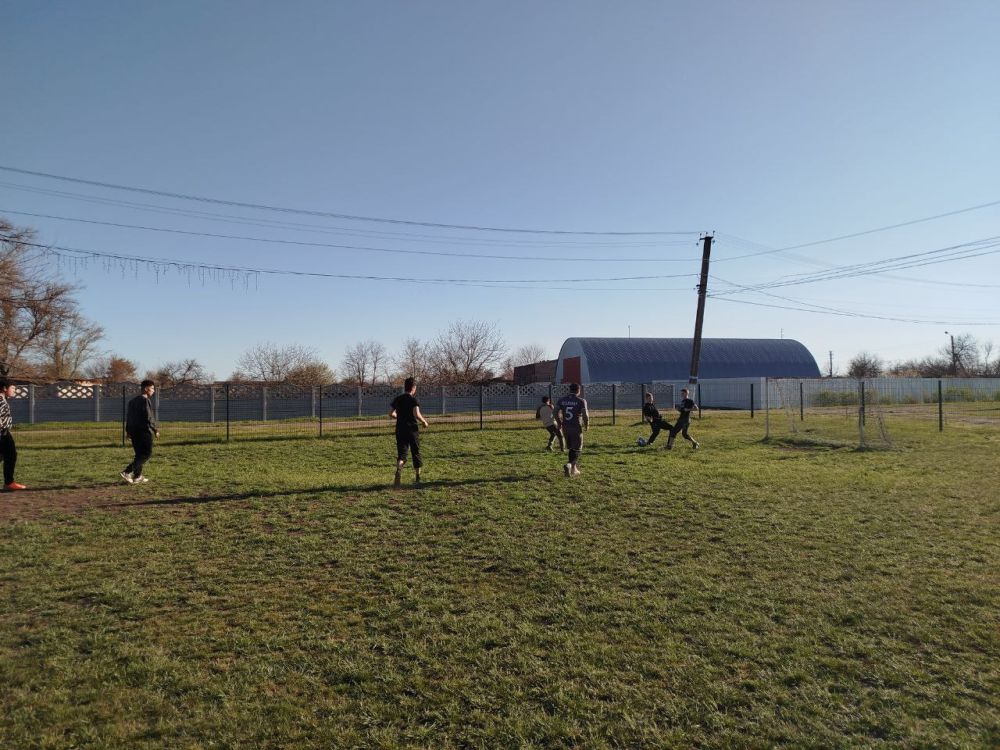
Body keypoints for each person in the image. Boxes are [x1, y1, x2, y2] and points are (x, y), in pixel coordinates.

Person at [390, 377, 429, 486]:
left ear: (405, 387)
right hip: (412, 430)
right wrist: (424, 421)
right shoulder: (413, 400)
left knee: (402, 454)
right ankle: (417, 478)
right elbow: (416, 414)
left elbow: (391, 413)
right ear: (413, 388)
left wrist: (398, 417)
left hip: (400, 429)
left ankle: (399, 470)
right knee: (416, 452)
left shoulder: (398, 399)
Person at [121, 380, 159, 484]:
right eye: (152, 388)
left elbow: (129, 418)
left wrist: (128, 431)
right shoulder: (145, 401)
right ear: (146, 389)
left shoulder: (132, 402)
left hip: (134, 432)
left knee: (139, 455)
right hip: (144, 431)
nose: (153, 391)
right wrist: (155, 429)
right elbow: (149, 417)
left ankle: (137, 476)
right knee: (146, 454)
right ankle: (127, 471)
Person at [556, 383, 589, 476]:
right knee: (577, 448)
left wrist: (559, 423)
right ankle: (569, 465)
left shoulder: (562, 400)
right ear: (578, 390)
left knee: (571, 448)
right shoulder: (581, 401)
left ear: (569, 390)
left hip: (565, 427)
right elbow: (585, 415)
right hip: (576, 427)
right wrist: (586, 425)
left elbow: (555, 412)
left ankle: (574, 469)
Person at [0, 379, 26, 491]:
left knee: (4, 455)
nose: (15, 390)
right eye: (13, 388)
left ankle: (9, 483)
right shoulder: (0, 400)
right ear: (4, 388)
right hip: (2, 433)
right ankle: (9, 483)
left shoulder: (3, 399)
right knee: (11, 455)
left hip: (4, 432)